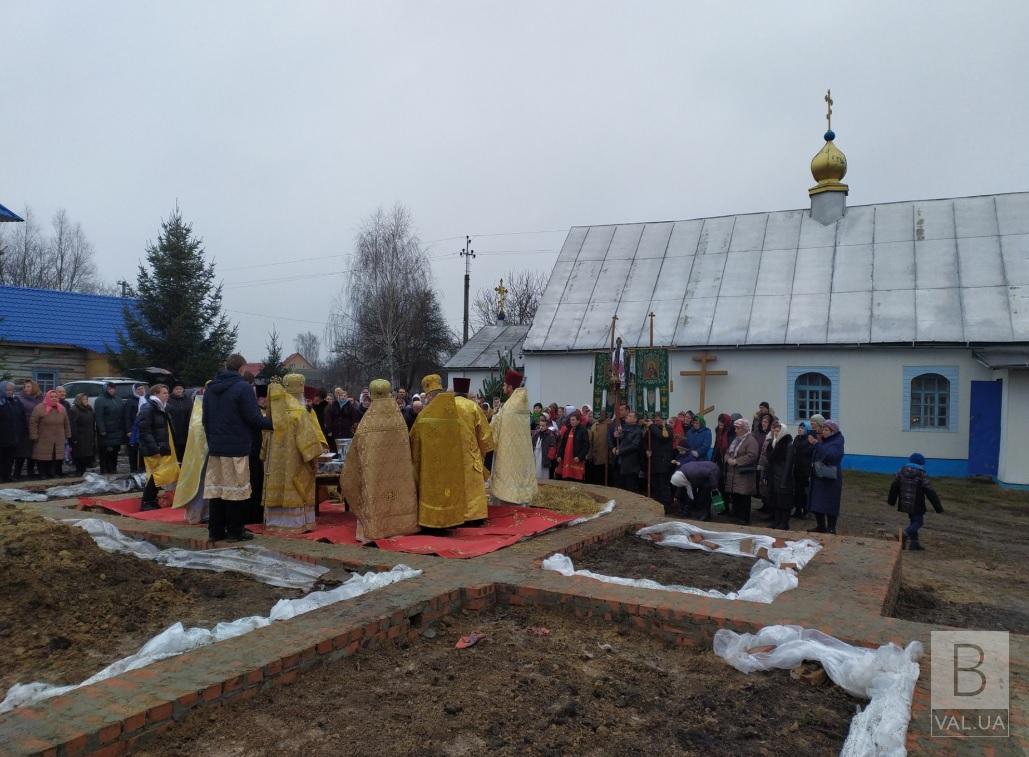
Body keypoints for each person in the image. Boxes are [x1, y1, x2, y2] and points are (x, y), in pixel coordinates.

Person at [202, 354, 274, 542]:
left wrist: (213, 441)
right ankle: (235, 530)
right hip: (236, 448)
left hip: (216, 448)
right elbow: (253, 418)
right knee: (237, 490)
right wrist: (275, 423)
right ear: (242, 368)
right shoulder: (242, 387)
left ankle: (215, 531)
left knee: (217, 491)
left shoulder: (210, 388)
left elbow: (205, 419)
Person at [340, 379, 419, 541]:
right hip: (398, 472)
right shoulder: (399, 420)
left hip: (375, 474)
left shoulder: (367, 422)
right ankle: (403, 524)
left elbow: (357, 449)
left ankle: (377, 526)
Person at [262, 374, 327, 534]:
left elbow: (266, 434)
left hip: (276, 460)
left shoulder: (275, 409)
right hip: (296, 459)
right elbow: (308, 440)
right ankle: (295, 523)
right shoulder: (300, 410)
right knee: (295, 485)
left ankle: (277, 521)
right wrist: (315, 453)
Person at [410, 374, 476, 529]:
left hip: (431, 467)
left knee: (433, 492)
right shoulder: (453, 411)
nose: (426, 400)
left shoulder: (424, 416)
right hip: (451, 465)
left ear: (430, 395)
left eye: (426, 397)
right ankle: (451, 519)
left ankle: (432, 522)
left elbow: (413, 438)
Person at [489, 369, 537, 506]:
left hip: (508, 453)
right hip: (522, 453)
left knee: (508, 483)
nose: (503, 387)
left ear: (510, 387)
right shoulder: (520, 404)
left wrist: (494, 417)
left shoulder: (510, 408)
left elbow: (496, 428)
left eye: (504, 385)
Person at [451, 377, 495, 522]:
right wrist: (483, 451)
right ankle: (474, 516)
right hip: (470, 451)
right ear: (467, 392)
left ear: (455, 390)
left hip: (451, 451)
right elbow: (485, 434)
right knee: (473, 484)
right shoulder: (474, 406)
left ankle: (453, 514)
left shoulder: (448, 404)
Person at [888, 453, 944, 551]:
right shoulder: (921, 473)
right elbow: (930, 491)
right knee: (918, 522)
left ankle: (914, 544)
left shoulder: (901, 471)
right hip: (917, 503)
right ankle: (904, 534)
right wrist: (938, 507)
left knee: (913, 520)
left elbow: (894, 485)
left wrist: (891, 501)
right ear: (921, 463)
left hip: (904, 502)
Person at [137, 384, 177, 511]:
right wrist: (155, 448)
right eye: (164, 393)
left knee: (162, 473)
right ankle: (147, 501)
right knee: (158, 474)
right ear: (156, 394)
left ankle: (151, 499)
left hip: (162, 445)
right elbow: (145, 431)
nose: (167, 395)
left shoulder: (162, 407)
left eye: (167, 392)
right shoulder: (148, 408)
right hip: (154, 447)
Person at [808, 419, 845, 534]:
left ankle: (831, 528)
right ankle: (821, 526)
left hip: (831, 478)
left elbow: (831, 456)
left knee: (830, 503)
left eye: (826, 429)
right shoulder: (824, 441)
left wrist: (816, 444)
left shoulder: (837, 442)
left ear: (833, 431)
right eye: (823, 429)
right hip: (819, 475)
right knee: (817, 503)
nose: (823, 431)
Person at [759, 419, 795, 530]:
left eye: (778, 430)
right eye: (775, 430)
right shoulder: (774, 443)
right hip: (774, 476)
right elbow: (769, 460)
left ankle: (784, 523)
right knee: (775, 500)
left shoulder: (788, 444)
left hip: (783, 477)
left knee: (784, 502)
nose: (776, 432)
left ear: (783, 431)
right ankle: (777, 521)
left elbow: (789, 464)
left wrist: (784, 480)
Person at [723, 417, 759, 525]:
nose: (735, 430)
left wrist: (737, 461)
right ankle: (737, 516)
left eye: (738, 428)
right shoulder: (736, 440)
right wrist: (728, 459)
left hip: (744, 474)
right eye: (735, 428)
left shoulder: (750, 440)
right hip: (734, 473)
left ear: (744, 429)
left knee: (744, 497)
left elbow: (752, 455)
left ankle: (744, 518)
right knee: (736, 496)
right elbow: (728, 451)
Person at [30, 390, 71, 479]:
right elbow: (33, 423)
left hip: (58, 437)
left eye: (56, 397)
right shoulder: (39, 408)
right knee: (43, 457)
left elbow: (66, 423)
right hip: (43, 437)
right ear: (47, 397)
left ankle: (52, 473)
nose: (54, 398)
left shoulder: (62, 408)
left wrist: (68, 435)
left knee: (55, 456)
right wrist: (34, 435)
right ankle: (43, 474)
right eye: (52, 397)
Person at [94, 382, 126, 475]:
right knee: (105, 452)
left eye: (113, 388)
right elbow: (99, 416)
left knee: (115, 451)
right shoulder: (100, 400)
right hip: (106, 431)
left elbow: (122, 414)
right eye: (109, 389)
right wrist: (102, 430)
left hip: (117, 430)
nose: (112, 390)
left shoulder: (118, 399)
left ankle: (113, 468)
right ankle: (104, 469)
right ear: (105, 390)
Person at [14, 379, 42, 478]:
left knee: (33, 453)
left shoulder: (40, 399)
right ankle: (16, 474)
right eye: (25, 387)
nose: (26, 389)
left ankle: (30, 473)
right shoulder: (19, 399)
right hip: (24, 430)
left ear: (34, 387)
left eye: (29, 386)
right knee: (21, 454)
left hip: (36, 429)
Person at [646, 414, 674, 507]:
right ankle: (657, 505)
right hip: (654, 462)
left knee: (663, 486)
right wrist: (647, 450)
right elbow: (645, 441)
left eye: (658, 421)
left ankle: (665, 506)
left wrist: (651, 426)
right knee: (656, 486)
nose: (656, 423)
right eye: (655, 421)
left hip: (663, 463)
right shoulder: (652, 429)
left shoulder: (668, 429)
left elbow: (661, 436)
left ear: (663, 420)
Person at [612, 410, 643, 492]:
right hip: (620, 463)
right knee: (619, 487)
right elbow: (620, 442)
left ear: (635, 419)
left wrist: (620, 451)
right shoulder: (624, 427)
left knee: (630, 488)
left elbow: (634, 446)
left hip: (630, 464)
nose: (627, 417)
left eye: (630, 416)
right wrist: (615, 437)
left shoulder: (638, 431)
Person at [68, 393, 97, 476]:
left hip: (88, 435)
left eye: (86, 399)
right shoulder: (74, 410)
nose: (85, 401)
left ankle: (83, 471)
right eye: (83, 399)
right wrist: (74, 438)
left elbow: (92, 421)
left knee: (86, 455)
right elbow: (73, 425)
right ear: (79, 400)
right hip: (79, 436)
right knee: (79, 455)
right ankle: (78, 471)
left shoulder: (89, 409)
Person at [555, 410, 589, 482]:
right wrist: (559, 455)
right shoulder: (568, 430)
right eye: (570, 420)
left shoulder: (583, 430)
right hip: (567, 459)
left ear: (578, 420)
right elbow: (562, 444)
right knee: (567, 478)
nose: (571, 422)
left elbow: (586, 445)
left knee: (576, 478)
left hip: (576, 459)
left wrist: (580, 457)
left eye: (573, 420)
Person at [791, 422, 815, 518]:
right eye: (799, 427)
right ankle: (797, 509)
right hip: (797, 468)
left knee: (805, 491)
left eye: (802, 428)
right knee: (797, 491)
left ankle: (806, 510)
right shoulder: (797, 438)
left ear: (807, 429)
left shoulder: (809, 439)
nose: (800, 429)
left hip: (806, 470)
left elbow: (809, 452)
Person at [0, 382, 23, 482]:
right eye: (7, 390)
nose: (10, 392)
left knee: (10, 458)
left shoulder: (16, 400)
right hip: (2, 435)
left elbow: (21, 416)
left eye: (11, 390)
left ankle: (7, 476)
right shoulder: (1, 402)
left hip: (14, 435)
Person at [165, 382, 192, 463]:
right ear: (172, 390)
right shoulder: (168, 400)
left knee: (186, 447)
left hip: (186, 427)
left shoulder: (188, 399)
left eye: (180, 389)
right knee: (176, 447)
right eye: (176, 389)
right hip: (175, 428)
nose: (179, 390)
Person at [123, 384, 147, 473]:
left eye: (142, 388)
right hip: (134, 429)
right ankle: (133, 470)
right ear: (134, 391)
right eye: (138, 389)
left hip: (144, 429)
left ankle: (142, 469)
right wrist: (128, 430)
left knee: (143, 451)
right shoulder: (130, 401)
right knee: (133, 451)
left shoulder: (146, 399)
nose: (141, 391)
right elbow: (127, 416)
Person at [586, 410, 610, 484]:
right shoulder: (594, 425)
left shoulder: (609, 425)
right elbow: (590, 441)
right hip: (594, 456)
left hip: (604, 457)